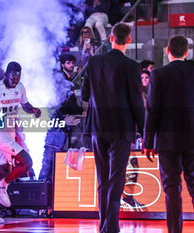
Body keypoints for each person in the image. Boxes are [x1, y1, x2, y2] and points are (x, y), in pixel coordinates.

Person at [81, 23, 144, 233]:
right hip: (122, 129)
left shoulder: (94, 62)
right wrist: (144, 131)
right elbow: (137, 102)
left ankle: (105, 226)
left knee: (103, 179)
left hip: (98, 127)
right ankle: (111, 227)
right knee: (116, 179)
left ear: (111, 38)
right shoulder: (132, 66)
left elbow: (83, 95)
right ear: (128, 40)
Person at [0, 61, 41, 223]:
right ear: (6, 75)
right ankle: (0, 186)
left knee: (5, 171)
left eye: (18, 77)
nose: (15, 80)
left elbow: (25, 104)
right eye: (13, 78)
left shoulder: (20, 87)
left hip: (9, 130)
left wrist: (33, 110)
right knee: (27, 162)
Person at [143, 35, 194, 233]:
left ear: (167, 51)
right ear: (186, 52)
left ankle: (175, 231)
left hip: (168, 139)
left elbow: (152, 109)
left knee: (172, 189)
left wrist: (148, 141)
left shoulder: (159, 75)